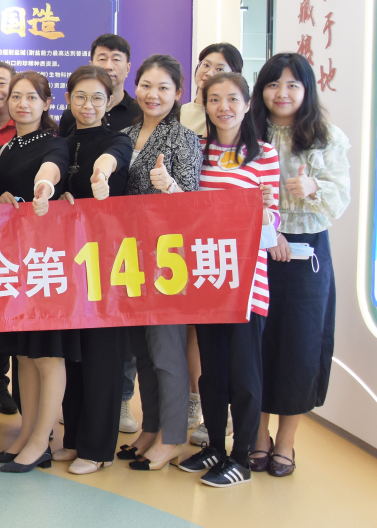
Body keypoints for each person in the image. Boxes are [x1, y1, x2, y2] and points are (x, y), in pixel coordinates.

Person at [169, 72, 278, 487]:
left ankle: (242, 458)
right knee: (212, 372)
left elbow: (272, 225)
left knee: (244, 374)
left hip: (247, 283)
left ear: (247, 104)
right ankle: (215, 446)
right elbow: (187, 212)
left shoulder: (263, 154)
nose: (223, 107)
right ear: (204, 105)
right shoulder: (198, 150)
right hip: (206, 277)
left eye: (232, 99)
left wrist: (264, 214)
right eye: (214, 99)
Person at [250, 53, 350, 478]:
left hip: (307, 254)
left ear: (306, 90)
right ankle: (257, 436)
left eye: (292, 85)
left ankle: (286, 441)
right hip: (256, 249)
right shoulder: (248, 133)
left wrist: (312, 188)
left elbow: (338, 199)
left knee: (299, 347)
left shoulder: (326, 137)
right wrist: (267, 230)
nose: (282, 93)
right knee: (255, 344)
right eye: (274, 84)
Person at [0, 72, 73, 474]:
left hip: (45, 260)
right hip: (13, 259)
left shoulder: (54, 143)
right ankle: (26, 434)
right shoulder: (5, 146)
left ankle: (42, 440)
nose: (22, 104)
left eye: (31, 97)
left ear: (46, 103)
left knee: (48, 353)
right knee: (23, 352)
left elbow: (51, 170)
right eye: (16, 97)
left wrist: (43, 188)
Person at [47, 65, 132, 476]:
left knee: (102, 355)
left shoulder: (117, 140)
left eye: (97, 97)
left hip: (107, 262)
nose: (88, 104)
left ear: (109, 101)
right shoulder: (62, 143)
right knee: (74, 353)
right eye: (80, 96)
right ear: (68, 99)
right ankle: (75, 439)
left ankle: (98, 448)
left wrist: (102, 173)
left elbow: (111, 161)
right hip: (68, 262)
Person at [119, 54, 202, 471]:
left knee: (166, 350)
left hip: (166, 259)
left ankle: (172, 437)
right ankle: (151, 428)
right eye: (147, 86)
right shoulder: (125, 134)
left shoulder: (183, 138)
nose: (153, 94)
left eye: (163, 88)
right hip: (127, 256)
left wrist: (169, 187)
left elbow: (193, 204)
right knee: (143, 351)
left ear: (178, 94)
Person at [59, 34, 139, 136]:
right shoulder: (73, 113)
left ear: (127, 68)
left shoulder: (139, 113)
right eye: (102, 59)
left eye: (116, 60)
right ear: (91, 65)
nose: (108, 66)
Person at [181, 43, 245, 138]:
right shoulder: (178, 113)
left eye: (220, 69)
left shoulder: (234, 116)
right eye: (206, 65)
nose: (209, 73)